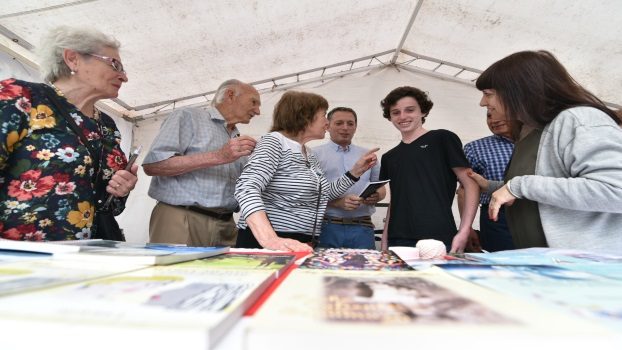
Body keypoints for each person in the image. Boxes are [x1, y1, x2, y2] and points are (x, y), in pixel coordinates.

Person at [475, 50, 622, 254]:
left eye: (488, 94)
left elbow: (615, 190)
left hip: (587, 269)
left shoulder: (580, 120)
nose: (483, 102)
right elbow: (547, 186)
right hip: (546, 263)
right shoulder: (531, 131)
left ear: (518, 90)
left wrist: (520, 185)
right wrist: (492, 186)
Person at [0, 26, 138, 240]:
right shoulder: (21, 97)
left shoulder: (107, 125)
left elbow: (110, 206)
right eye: (115, 65)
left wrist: (121, 189)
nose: (124, 77)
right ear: (73, 59)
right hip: (19, 256)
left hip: (85, 258)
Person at [234, 91, 378, 252]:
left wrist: (355, 172)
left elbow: (322, 195)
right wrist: (269, 238)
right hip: (271, 241)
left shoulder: (308, 152)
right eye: (323, 115)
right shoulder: (274, 142)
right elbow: (246, 188)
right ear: (304, 117)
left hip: (302, 239)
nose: (326, 122)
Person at [143, 79, 260, 247]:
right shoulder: (188, 116)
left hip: (226, 225)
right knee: (175, 273)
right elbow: (154, 165)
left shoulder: (237, 137)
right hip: (182, 219)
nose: (257, 111)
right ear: (231, 95)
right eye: (254, 102)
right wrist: (219, 156)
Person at [378, 86, 479, 253]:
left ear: (423, 111)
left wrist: (464, 230)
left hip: (438, 236)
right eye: (395, 112)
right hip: (398, 238)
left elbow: (471, 184)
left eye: (409, 110)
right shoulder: (389, 157)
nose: (402, 116)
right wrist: (385, 238)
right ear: (389, 117)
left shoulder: (442, 138)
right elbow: (395, 200)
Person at [313, 107, 386, 249]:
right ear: (327, 126)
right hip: (326, 227)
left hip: (362, 227)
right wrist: (336, 203)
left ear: (356, 127)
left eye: (350, 123)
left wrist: (377, 195)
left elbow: (381, 187)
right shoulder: (314, 154)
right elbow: (308, 194)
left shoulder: (368, 155)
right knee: (325, 270)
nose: (345, 128)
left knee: (364, 270)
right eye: (339, 123)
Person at [457, 111, 515, 252]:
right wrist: (466, 227)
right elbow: (465, 190)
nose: (494, 120)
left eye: (501, 114)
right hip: (496, 218)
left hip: (535, 213)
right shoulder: (475, 148)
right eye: (489, 116)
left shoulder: (539, 143)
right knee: (500, 265)